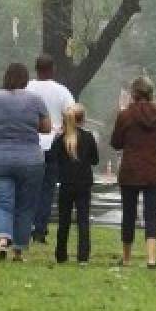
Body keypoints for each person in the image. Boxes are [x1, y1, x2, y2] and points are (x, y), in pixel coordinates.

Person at [0, 62, 51, 261]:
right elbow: (46, 127)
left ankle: (2, 239)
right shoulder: (36, 100)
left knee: (1, 203)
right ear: (26, 79)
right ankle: (18, 250)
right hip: (30, 160)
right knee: (25, 205)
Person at [110, 76, 156, 268]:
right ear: (151, 93)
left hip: (131, 170)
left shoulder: (125, 116)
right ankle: (151, 258)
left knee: (128, 213)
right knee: (151, 213)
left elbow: (116, 143)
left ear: (133, 94)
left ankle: (127, 257)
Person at [26, 53, 76, 244]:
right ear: (53, 69)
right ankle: (40, 229)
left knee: (28, 188)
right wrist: (64, 132)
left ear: (36, 69)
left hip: (29, 143)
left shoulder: (27, 88)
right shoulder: (62, 91)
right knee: (47, 190)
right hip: (52, 146)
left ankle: (25, 224)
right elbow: (73, 115)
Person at [53, 103, 98, 265]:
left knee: (64, 220)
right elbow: (95, 160)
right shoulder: (88, 137)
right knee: (83, 219)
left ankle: (61, 254)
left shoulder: (60, 139)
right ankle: (83, 257)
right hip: (84, 183)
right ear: (83, 119)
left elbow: (53, 158)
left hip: (66, 183)